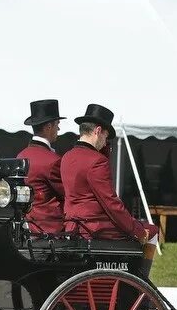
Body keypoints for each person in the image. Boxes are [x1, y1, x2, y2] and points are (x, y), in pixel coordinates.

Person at [61, 104, 158, 243]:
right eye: (106, 136)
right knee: (152, 231)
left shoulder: (66, 157)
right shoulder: (97, 161)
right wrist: (137, 231)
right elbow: (111, 203)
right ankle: (139, 266)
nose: (106, 142)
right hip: (94, 227)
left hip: (72, 224)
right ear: (98, 130)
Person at [17, 99, 65, 234]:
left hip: (25, 227)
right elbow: (68, 194)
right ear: (49, 126)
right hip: (49, 230)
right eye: (57, 124)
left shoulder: (20, 155)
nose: (59, 129)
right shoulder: (53, 161)